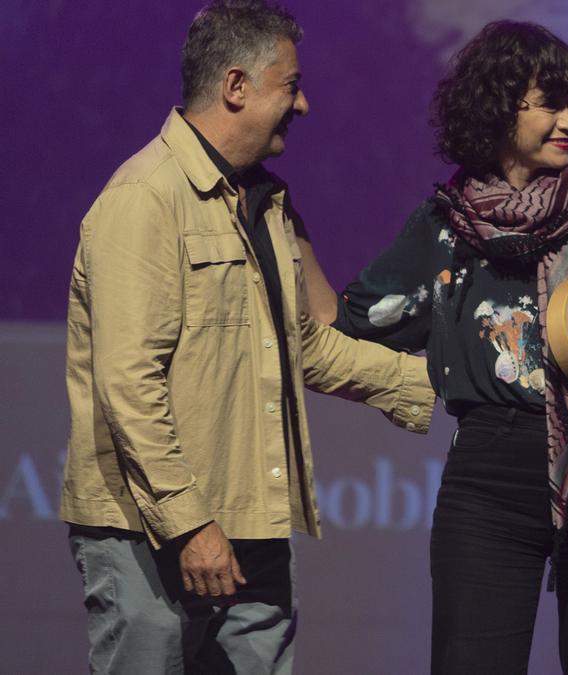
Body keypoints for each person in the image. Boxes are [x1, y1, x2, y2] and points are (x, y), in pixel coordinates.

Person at [306, 20, 568, 674]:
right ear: (497, 103)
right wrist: (287, 227)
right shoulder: (446, 223)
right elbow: (349, 321)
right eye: (552, 103)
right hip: (489, 480)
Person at [59, 2, 435, 673]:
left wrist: (449, 382)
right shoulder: (144, 200)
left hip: (252, 529)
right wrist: (190, 523)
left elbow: (307, 347)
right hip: (153, 534)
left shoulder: (260, 202)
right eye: (290, 85)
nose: (305, 103)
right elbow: (127, 384)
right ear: (236, 86)